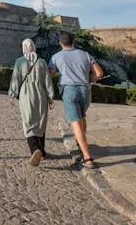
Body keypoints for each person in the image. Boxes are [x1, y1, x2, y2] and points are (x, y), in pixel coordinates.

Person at [48, 33, 103, 169]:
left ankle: (87, 157)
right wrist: (90, 79)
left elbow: (50, 74)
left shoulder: (56, 57)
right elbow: (99, 73)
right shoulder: (85, 54)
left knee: (76, 123)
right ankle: (81, 143)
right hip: (85, 90)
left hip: (69, 90)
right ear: (74, 42)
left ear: (61, 44)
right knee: (82, 117)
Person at [9, 38, 56, 166]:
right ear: (34, 47)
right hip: (41, 95)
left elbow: (15, 78)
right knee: (40, 122)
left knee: (28, 122)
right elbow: (48, 81)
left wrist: (12, 94)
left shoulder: (19, 62)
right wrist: (51, 97)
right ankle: (42, 152)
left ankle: (35, 149)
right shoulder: (41, 62)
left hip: (25, 95)